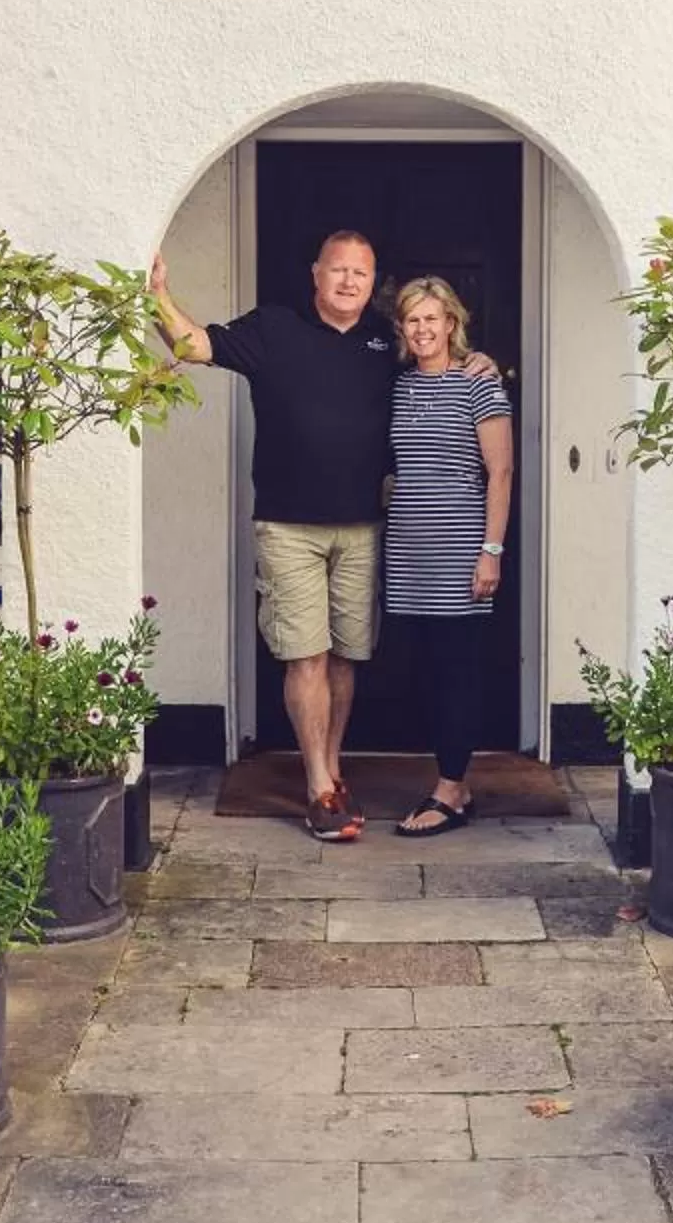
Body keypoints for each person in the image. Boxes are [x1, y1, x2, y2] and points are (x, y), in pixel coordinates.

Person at [149, 231, 494, 841]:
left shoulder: (385, 343)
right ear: (316, 273)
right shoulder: (272, 328)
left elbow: (434, 350)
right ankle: (318, 787)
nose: (348, 282)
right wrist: (156, 296)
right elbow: (192, 343)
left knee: (344, 656)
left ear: (373, 280)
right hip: (289, 526)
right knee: (305, 653)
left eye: (360, 273)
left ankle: (332, 771)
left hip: (362, 527)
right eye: (338, 270)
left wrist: (477, 360)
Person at [384, 276, 514, 836]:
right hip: (408, 551)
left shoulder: (479, 384)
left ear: (452, 324)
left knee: (456, 671)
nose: (422, 329)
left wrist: (491, 552)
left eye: (432, 319)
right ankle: (451, 780)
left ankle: (453, 790)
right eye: (412, 319)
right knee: (424, 673)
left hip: (461, 549)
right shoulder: (398, 387)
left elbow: (501, 472)